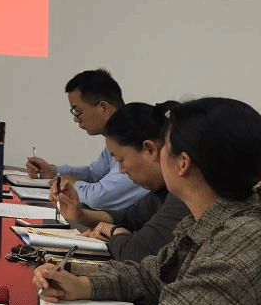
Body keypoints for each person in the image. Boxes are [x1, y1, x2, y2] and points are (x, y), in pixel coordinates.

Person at [33, 96, 261, 305]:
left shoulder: (230, 255)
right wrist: (81, 285)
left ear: (182, 163)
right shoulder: (213, 220)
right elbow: (151, 275)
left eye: (165, 146)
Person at [56, 101, 190, 261]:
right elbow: (130, 218)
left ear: (150, 149)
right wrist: (81, 215)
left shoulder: (184, 196)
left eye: (121, 160)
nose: (121, 170)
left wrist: (114, 232)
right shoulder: (161, 191)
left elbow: (137, 252)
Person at [25, 69, 147, 211]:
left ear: (103, 108)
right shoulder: (117, 136)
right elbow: (94, 174)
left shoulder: (134, 138)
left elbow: (99, 198)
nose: (76, 119)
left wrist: (70, 184)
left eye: (78, 111)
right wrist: (54, 171)